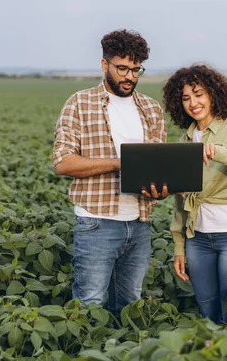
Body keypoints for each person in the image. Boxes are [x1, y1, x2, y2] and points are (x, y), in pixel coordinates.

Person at [52, 29, 168, 316]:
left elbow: (158, 166)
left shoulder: (151, 109)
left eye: (136, 69)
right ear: (105, 65)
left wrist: (162, 189)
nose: (129, 76)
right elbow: (63, 163)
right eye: (122, 68)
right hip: (96, 223)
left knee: (131, 305)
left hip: (140, 223)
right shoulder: (79, 103)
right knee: (90, 304)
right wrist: (119, 162)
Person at [162, 64, 227, 324]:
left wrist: (217, 151)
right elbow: (180, 201)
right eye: (185, 98)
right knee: (206, 306)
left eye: (198, 94)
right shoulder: (186, 141)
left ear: (213, 94)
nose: (193, 103)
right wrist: (179, 245)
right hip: (197, 238)